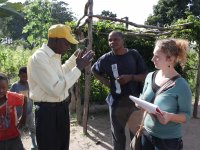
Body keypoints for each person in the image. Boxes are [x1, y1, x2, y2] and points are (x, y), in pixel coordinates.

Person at [27, 24, 94, 150]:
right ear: (55, 39)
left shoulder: (54, 56)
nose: (68, 46)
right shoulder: (39, 57)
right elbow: (56, 89)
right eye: (66, 43)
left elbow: (60, 74)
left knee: (63, 146)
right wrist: (78, 67)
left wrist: (74, 59)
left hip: (61, 109)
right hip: (47, 112)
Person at [91, 31, 148, 150]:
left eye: (115, 39)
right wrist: (106, 82)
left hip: (135, 102)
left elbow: (144, 75)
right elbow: (94, 70)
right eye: (110, 40)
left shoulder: (133, 55)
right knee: (118, 135)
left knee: (136, 134)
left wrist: (131, 77)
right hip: (116, 103)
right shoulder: (106, 58)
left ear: (122, 40)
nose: (112, 42)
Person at [139, 38, 192, 150]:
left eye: (157, 57)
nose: (152, 59)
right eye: (153, 55)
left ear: (170, 59)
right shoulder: (150, 76)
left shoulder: (181, 85)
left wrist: (170, 117)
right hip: (146, 133)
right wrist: (140, 103)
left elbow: (186, 116)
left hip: (168, 141)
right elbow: (144, 98)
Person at [10, 66, 37, 150]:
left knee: (32, 129)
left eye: (27, 76)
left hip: (29, 112)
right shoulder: (15, 86)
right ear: (19, 75)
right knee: (19, 131)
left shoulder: (30, 84)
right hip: (18, 114)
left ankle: (34, 143)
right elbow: (10, 98)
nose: (25, 78)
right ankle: (20, 146)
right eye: (23, 76)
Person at [0, 72, 27, 150]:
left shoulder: (11, 96)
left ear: (7, 87)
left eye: (3, 88)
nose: (1, 90)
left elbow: (24, 99)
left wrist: (23, 118)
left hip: (13, 137)